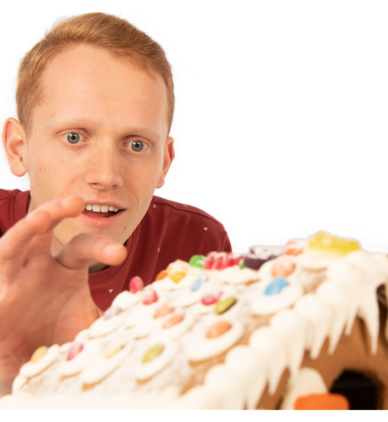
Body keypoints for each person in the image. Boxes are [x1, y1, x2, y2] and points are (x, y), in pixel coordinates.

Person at [0, 13, 231, 395]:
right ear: (18, 149)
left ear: (164, 162)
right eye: (74, 137)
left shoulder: (197, 247)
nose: (107, 175)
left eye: (136, 144)